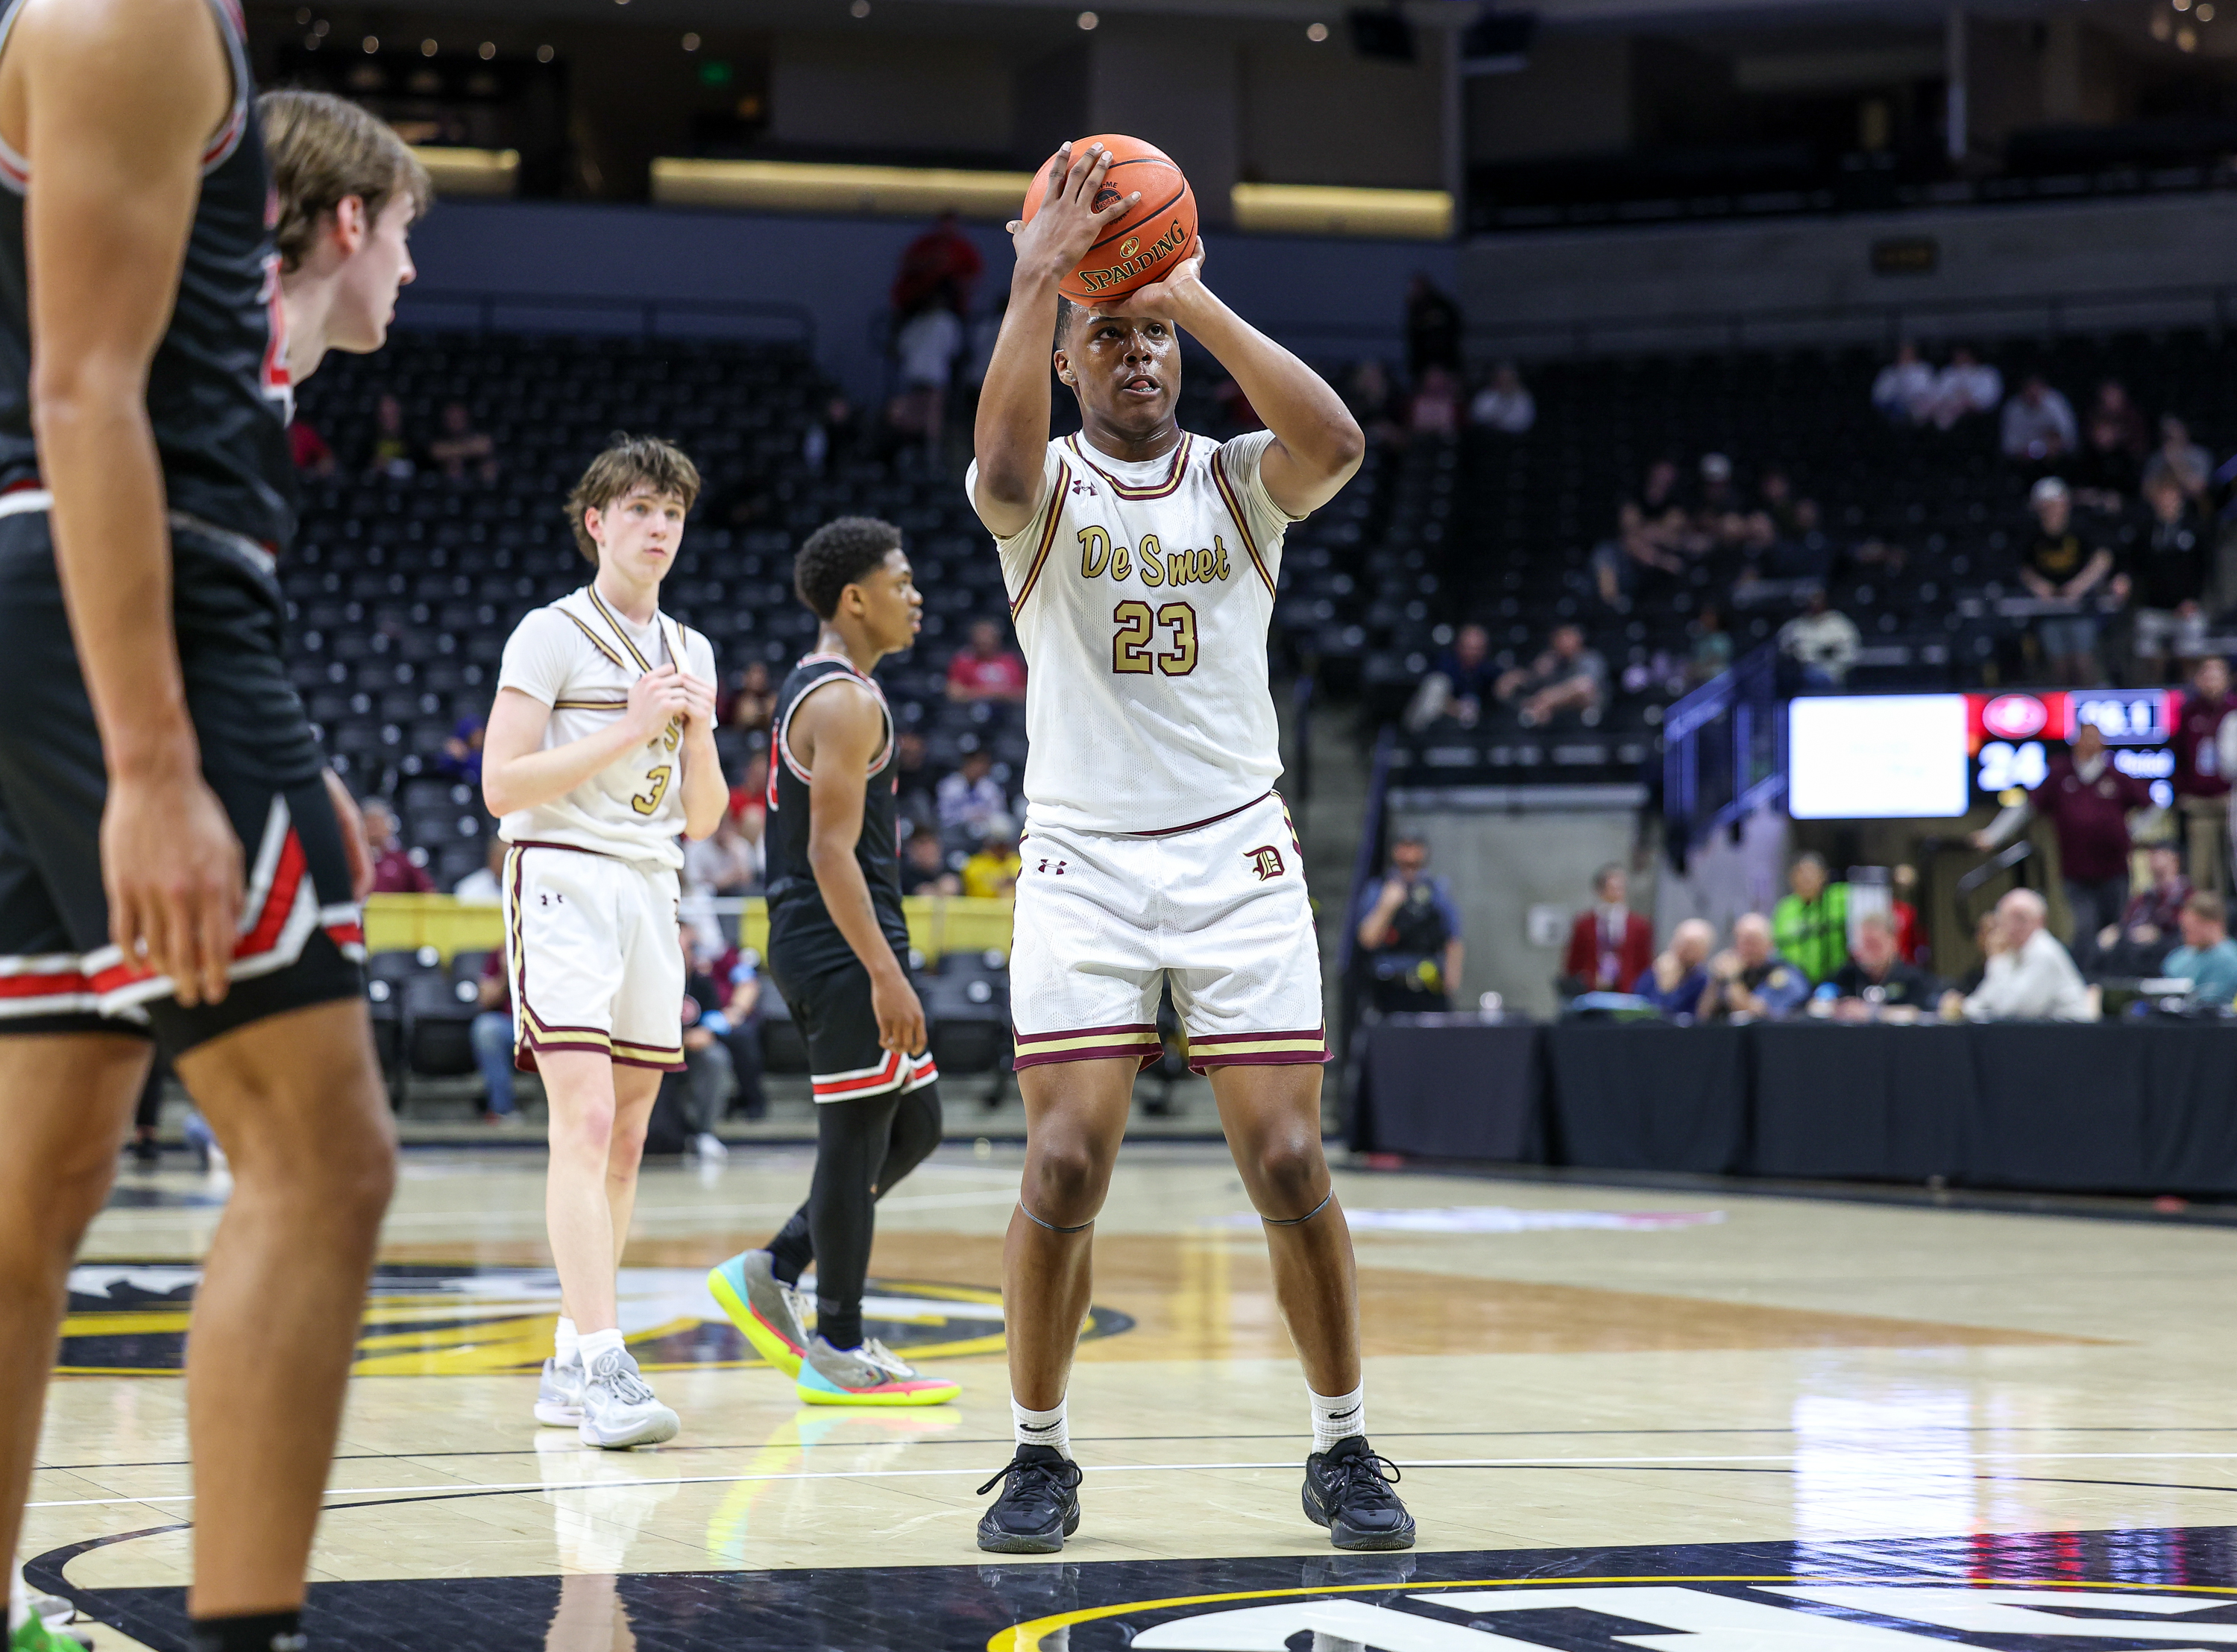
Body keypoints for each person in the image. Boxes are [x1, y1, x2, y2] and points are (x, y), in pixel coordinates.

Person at [0, 53, 427, 1652]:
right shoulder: (138, 24)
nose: (412, 266)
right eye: (402, 234)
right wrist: (157, 763)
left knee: (36, 1181)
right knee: (323, 1160)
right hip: (112, 613)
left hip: (68, 616)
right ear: (346, 219)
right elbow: (79, 400)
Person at [966, 142, 1411, 1553]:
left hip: (1234, 857)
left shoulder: (1238, 482)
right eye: (1117, 338)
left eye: (1155, 338)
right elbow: (990, 459)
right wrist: (1042, 284)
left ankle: (1343, 1445)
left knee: (1287, 1161)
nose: (1142, 357)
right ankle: (1039, 1456)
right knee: (1062, 1171)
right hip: (1086, 863)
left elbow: (1338, 444)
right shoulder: (1037, 497)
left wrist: (1193, 294)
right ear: (1076, 363)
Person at [482, 435, 726, 1450]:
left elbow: (704, 818)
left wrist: (698, 732)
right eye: (638, 509)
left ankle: (569, 1354)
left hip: (649, 887)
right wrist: (630, 728)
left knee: (628, 1140)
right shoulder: (550, 633)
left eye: (671, 511)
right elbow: (502, 784)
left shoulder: (692, 649)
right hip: (561, 880)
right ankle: (606, 1362)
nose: (658, 527)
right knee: (581, 1123)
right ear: (597, 522)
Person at [705, 517, 960, 1407]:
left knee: (915, 1123)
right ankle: (837, 1342)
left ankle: (775, 1266)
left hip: (833, 939)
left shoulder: (820, 687)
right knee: (855, 1142)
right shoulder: (848, 700)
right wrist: (887, 970)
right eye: (900, 579)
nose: (915, 595)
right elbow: (828, 853)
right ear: (855, 598)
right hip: (842, 943)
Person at [1972, 721, 2158, 974]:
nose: (2092, 743)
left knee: (2115, 931)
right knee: (2085, 929)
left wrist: (2134, 833)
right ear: (2076, 741)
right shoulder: (2060, 774)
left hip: (2114, 871)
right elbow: (2027, 807)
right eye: (2086, 737)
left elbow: (2153, 804)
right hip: (2076, 872)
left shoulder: (2117, 775)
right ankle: (2087, 982)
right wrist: (1993, 835)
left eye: (2097, 738)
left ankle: (2114, 984)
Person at [2020, 478, 2118, 685]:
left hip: (2080, 606)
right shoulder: (2032, 532)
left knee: (2083, 662)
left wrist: (2077, 588)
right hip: (2049, 609)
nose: (2051, 510)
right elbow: (2023, 568)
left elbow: (2103, 559)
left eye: (2055, 504)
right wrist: (2040, 587)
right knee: (2059, 665)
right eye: (2046, 506)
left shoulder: (2081, 527)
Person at [1353, 833, 1464, 1013]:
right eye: (1405, 847)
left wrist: (1451, 984)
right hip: (1388, 990)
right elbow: (1367, 939)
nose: (1410, 855)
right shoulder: (1378, 890)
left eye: (1415, 847)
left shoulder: (1436, 891)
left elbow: (1453, 940)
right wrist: (1387, 906)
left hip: (1428, 990)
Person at [1960, 888, 2091, 1021]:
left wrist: (1996, 961)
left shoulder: (2044, 951)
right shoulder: (2012, 953)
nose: (2013, 927)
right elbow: (1985, 1001)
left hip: (2070, 1034)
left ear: (2040, 921)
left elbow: (2012, 1010)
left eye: (2021, 919)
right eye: (2007, 920)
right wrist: (1962, 1008)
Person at [2129, 473, 2210, 676]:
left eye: (2171, 496)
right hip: (2153, 606)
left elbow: (2206, 569)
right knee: (2146, 643)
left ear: (2180, 499)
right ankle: (2157, 690)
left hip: (2187, 606)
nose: (2167, 502)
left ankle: (2188, 692)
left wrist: (2194, 600)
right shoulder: (2145, 530)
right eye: (2162, 497)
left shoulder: (2195, 528)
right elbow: (2135, 566)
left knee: (2192, 641)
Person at [674, 925, 734, 1162]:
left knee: (715, 1057)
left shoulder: (701, 983)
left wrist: (706, 1031)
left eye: (688, 948)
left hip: (690, 1052)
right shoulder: (648, 981)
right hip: (653, 1051)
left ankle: (705, 1133)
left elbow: (715, 1018)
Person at [1697, 912, 1809, 1021]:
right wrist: (1716, 980)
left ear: (1770, 943)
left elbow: (1756, 1014)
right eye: (1741, 941)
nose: (1745, 948)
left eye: (1752, 942)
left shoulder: (1783, 975)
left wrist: (1733, 980)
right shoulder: (1735, 969)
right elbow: (1703, 1015)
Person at [1561, 864, 1652, 995]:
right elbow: (1573, 963)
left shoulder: (1639, 925)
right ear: (1600, 890)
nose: (1617, 893)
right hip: (1591, 990)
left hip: (1627, 990)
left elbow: (1644, 962)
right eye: (1612, 888)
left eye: (1620, 888)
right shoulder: (1584, 924)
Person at [1826, 911, 1940, 1017]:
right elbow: (1818, 1002)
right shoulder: (1847, 977)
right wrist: (1837, 1008)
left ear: (1894, 942)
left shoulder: (1912, 979)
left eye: (1874, 945)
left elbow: (1919, 1012)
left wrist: (1871, 1013)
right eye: (1864, 944)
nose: (1869, 952)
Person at [1494, 623, 1607, 726]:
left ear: (1579, 640)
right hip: (1553, 711)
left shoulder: (1590, 658)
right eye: (1560, 638)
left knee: (1582, 690)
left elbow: (1585, 686)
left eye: (1568, 637)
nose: (1564, 642)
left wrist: (1548, 697)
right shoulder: (1551, 659)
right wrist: (1519, 677)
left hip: (1586, 707)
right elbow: (1531, 679)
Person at [1401, 622, 1499, 731]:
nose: (1473, 653)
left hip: (1469, 734)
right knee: (1436, 684)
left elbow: (1503, 681)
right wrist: (1456, 708)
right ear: (1458, 646)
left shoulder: (1487, 668)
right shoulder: (1444, 663)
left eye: (1477, 648)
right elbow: (1434, 697)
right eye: (1468, 647)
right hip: (1427, 727)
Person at [1772, 853, 1849, 985]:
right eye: (1800, 874)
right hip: (1796, 980)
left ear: (1823, 876)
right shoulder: (1785, 909)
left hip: (1837, 977)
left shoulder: (1841, 897)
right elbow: (1775, 947)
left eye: (1811, 873)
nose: (1805, 879)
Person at [2161, 890, 2237, 1004]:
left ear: (2214, 924)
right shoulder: (2178, 958)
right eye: (2185, 930)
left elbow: (2210, 1001)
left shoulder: (2229, 959)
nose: (2186, 934)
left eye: (2192, 929)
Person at [1778, 589, 1860, 688]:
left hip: (1833, 673)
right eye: (1812, 600)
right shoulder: (1795, 626)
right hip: (1800, 672)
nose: (1815, 604)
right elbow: (1783, 649)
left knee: (1818, 677)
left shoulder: (1839, 624)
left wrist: (1829, 655)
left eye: (1818, 600)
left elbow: (1851, 653)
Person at [471, 948, 517, 1121]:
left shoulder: (552, 949)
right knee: (487, 1028)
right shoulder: (503, 951)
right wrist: (507, 973)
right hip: (511, 1026)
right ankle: (502, 1110)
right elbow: (485, 1000)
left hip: (548, 1023)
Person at [1633, 918, 1714, 1020]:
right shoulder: (1656, 971)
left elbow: (1696, 1016)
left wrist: (1667, 988)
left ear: (1704, 951)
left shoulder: (1702, 981)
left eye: (1692, 946)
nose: (1685, 950)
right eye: (1683, 943)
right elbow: (1637, 1002)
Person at [946, 616, 1028, 704]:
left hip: (1009, 711)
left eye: (988, 636)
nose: (984, 641)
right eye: (981, 636)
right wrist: (990, 692)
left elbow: (1026, 693)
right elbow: (954, 693)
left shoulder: (1012, 661)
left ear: (997, 638)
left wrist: (999, 694)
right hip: (973, 710)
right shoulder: (963, 662)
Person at [361, 798, 432, 893]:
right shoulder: (352, 859)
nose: (374, 828)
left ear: (388, 827)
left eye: (378, 823)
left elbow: (427, 892)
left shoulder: (402, 861)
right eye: (369, 822)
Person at [2001, 374, 2076, 464]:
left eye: (2036, 390)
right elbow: (2008, 445)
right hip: (2023, 462)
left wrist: (2054, 445)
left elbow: (2069, 436)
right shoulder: (2013, 408)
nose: (2033, 394)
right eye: (2029, 391)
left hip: (2056, 459)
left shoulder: (2055, 403)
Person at [1403, 272, 1462, 381]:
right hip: (1422, 359)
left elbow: (1455, 326)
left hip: (1444, 356)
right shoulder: (1415, 307)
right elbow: (1412, 332)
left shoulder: (1443, 305)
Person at [936, 745, 1007, 834]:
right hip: (958, 829)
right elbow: (945, 816)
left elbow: (999, 813)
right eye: (976, 762)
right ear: (967, 763)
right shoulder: (949, 786)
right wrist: (968, 816)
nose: (980, 767)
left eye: (983, 763)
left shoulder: (990, 786)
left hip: (986, 829)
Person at [1928, 344, 2001, 429]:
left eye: (1964, 355)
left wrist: (1970, 403)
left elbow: (1990, 398)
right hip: (1948, 409)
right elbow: (1938, 393)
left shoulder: (1987, 373)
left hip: (1977, 416)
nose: (1960, 359)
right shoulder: (1948, 373)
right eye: (1958, 356)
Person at [2143, 414, 2213, 502]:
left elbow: (2198, 489)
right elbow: (2146, 492)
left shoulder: (2199, 455)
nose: (2170, 435)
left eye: (2174, 430)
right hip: (2163, 507)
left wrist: (2175, 462)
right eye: (2166, 433)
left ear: (2184, 431)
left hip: (2192, 507)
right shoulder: (2157, 458)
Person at [425, 399, 496, 483]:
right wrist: (471, 449)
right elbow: (436, 452)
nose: (455, 422)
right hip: (444, 477)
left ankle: (487, 492)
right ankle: (454, 493)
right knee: (454, 463)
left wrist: (452, 450)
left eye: (458, 418)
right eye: (452, 418)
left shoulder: (478, 431)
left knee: (489, 467)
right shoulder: (437, 435)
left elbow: (485, 446)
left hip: (475, 473)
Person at [1870, 342, 1934, 424]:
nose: (1906, 356)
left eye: (1909, 353)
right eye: (1903, 353)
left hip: (1919, 407)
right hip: (1893, 411)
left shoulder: (1924, 370)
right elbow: (1878, 396)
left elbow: (1929, 391)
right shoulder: (1888, 372)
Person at [963, 816, 1022, 899]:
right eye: (998, 844)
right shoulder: (974, 865)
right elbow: (978, 891)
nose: (1002, 848)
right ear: (988, 842)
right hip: (982, 910)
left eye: (1005, 844)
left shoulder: (1019, 862)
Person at [1468, 362, 1534, 435]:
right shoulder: (1486, 395)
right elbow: (1476, 415)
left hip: (1515, 437)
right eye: (1501, 377)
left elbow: (1525, 420)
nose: (1504, 381)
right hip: (1489, 436)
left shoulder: (1523, 397)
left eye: (1508, 378)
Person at [364, 389, 415, 480]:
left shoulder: (412, 438)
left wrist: (389, 465)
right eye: (384, 414)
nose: (388, 418)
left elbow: (416, 469)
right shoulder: (368, 441)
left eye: (392, 413)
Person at [900, 827, 958, 895]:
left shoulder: (949, 870)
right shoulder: (903, 876)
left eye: (930, 843)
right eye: (921, 843)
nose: (926, 849)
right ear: (911, 849)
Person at [724, 659, 775, 734]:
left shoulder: (773, 698)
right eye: (754, 674)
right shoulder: (736, 700)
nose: (757, 678)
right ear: (746, 677)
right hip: (740, 740)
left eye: (760, 674)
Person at [453, 833, 506, 904]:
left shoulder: (524, 886)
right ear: (493, 858)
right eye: (503, 858)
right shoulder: (470, 888)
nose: (506, 865)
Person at [435, 711, 484, 786]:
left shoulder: (487, 753)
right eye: (475, 734)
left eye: (481, 733)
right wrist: (454, 754)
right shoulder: (454, 751)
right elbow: (443, 769)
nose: (479, 737)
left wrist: (466, 756)